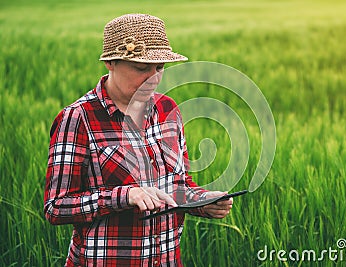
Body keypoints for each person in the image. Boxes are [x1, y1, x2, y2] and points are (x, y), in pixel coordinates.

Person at [44, 14, 233, 266]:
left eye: (160, 68)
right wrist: (124, 196)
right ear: (110, 62)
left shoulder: (168, 110)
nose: (153, 78)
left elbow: (177, 184)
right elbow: (56, 207)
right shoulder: (79, 118)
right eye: (142, 68)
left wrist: (203, 202)